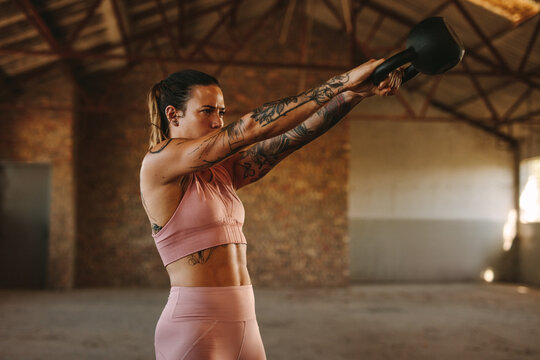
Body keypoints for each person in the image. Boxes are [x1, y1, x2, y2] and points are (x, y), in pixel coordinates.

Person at [139, 59, 402, 360]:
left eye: (221, 112)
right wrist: (342, 81)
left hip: (244, 320)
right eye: (207, 110)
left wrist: (352, 95)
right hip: (194, 324)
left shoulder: (223, 172)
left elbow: (290, 138)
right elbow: (251, 127)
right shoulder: (158, 163)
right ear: (173, 114)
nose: (217, 121)